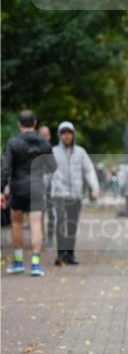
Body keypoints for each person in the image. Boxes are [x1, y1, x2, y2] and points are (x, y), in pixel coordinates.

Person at [1, 110, 56, 275]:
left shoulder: (13, 142)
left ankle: (18, 262)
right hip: (37, 187)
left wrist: (1, 189)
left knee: (16, 223)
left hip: (18, 187)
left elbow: (5, 168)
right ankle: (35, 264)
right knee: (36, 224)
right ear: (35, 123)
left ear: (19, 124)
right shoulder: (44, 143)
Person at [49, 122, 99, 266]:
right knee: (59, 223)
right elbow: (46, 173)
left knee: (72, 225)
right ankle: (60, 254)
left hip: (75, 194)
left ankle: (70, 254)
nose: (66, 136)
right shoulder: (53, 152)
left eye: (69, 133)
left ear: (73, 135)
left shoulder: (81, 152)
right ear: (60, 135)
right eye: (63, 133)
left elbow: (89, 170)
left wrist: (94, 187)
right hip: (59, 194)